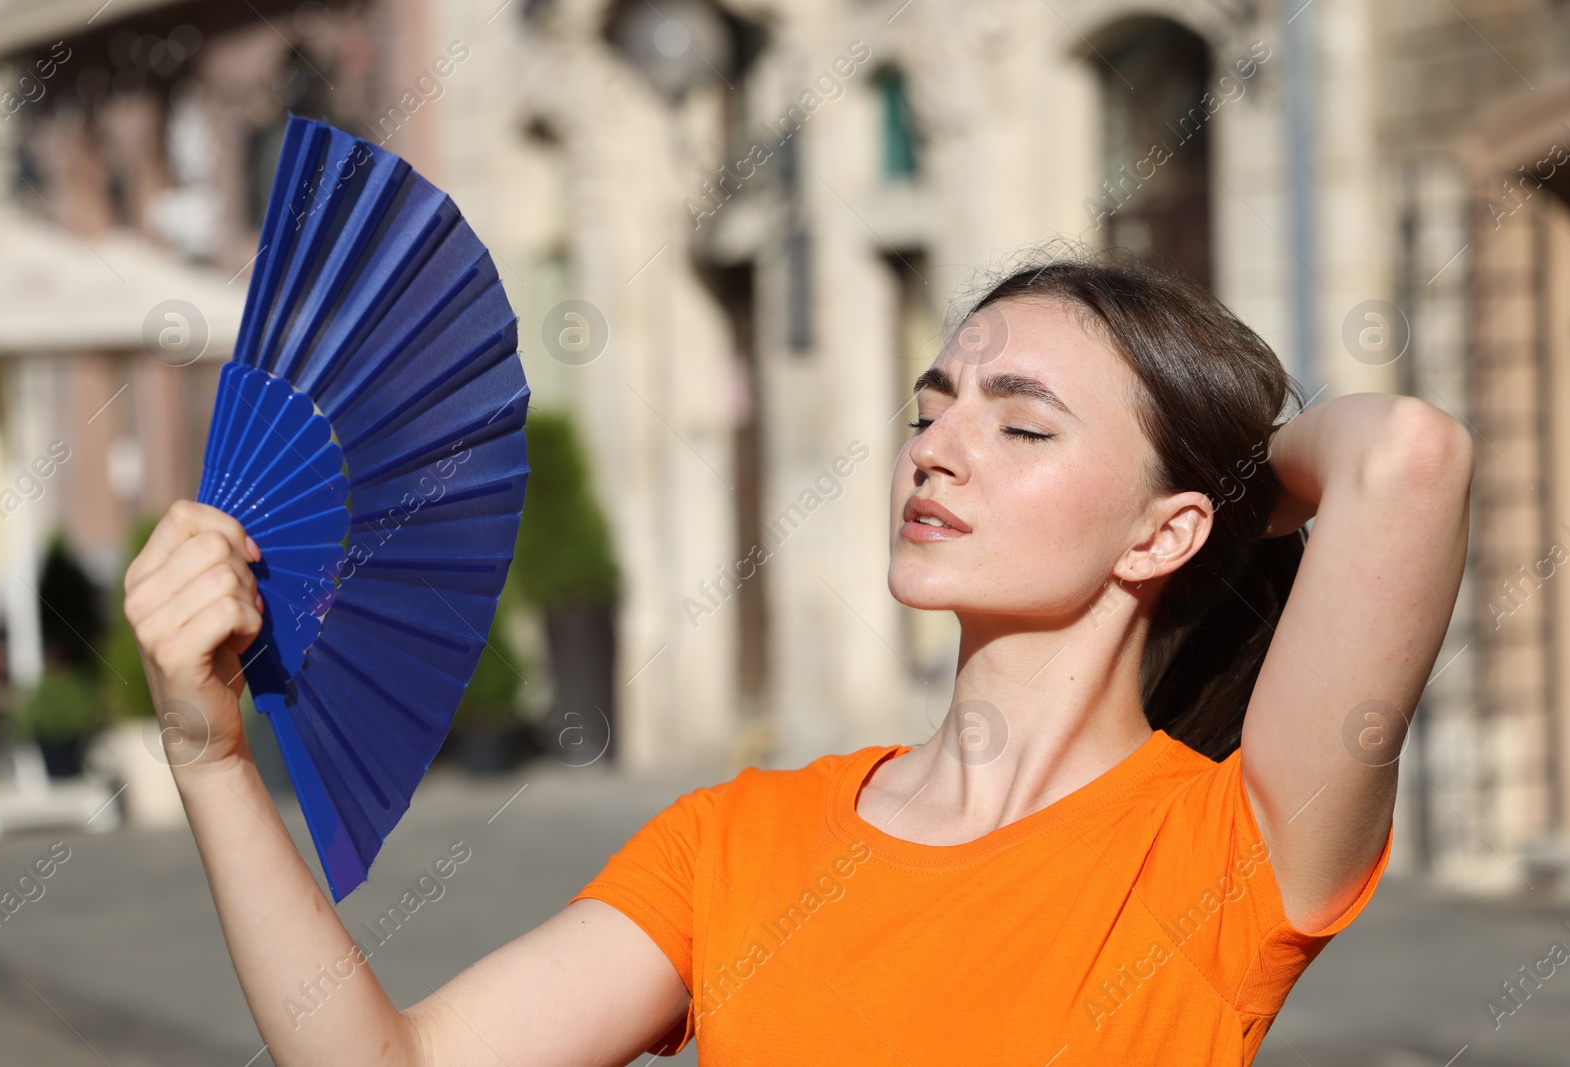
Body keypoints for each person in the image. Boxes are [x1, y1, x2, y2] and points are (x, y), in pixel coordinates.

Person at [123, 250, 1472, 1066]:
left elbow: (1407, 454)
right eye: (929, 407)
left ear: (1159, 530)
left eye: (1022, 427)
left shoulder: (1222, 851)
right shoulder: (737, 843)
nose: (936, 447)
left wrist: (1235, 497)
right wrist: (211, 755)